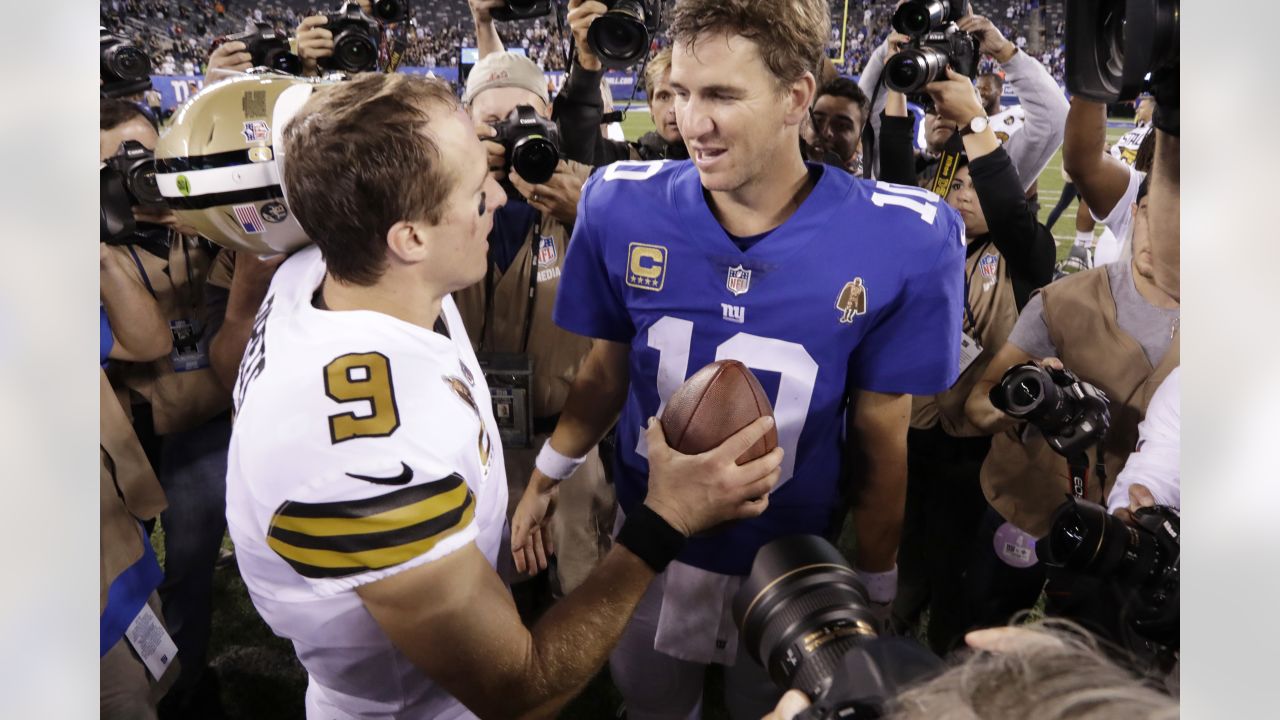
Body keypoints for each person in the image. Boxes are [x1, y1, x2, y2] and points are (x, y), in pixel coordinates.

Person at [224, 72, 783, 719]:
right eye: (472, 188)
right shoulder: (365, 455)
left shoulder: (324, 263)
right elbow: (517, 689)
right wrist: (667, 519)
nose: (496, 194)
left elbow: (309, 123)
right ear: (409, 238)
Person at [511, 0, 966, 716]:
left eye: (722, 95)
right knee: (653, 704)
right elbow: (605, 370)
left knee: (771, 706)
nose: (693, 121)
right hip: (649, 533)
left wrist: (877, 582)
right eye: (684, 92)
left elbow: (883, 438)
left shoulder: (905, 236)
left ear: (796, 97)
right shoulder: (617, 204)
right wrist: (547, 475)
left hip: (791, 561)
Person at [878, 68, 1054, 654]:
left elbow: (1004, 207)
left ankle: (948, 636)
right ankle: (904, 606)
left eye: (979, 188)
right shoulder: (932, 242)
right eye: (958, 187)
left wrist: (978, 123)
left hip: (979, 434)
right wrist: (900, 81)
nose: (964, 196)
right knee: (911, 524)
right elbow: (900, 175)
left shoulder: (1026, 253)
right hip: (917, 421)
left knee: (957, 544)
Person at [961, 177, 1179, 646]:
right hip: (1026, 501)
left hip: (1124, 539)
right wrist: (1030, 404)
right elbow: (979, 407)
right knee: (982, 638)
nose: (1162, 234)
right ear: (1135, 215)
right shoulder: (1065, 300)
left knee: (1089, 660)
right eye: (1152, 214)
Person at [454, 50, 615, 600]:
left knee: (582, 580)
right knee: (493, 584)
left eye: (524, 113)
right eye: (492, 120)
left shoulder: (587, 190)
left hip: (566, 436)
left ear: (548, 112)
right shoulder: (442, 201)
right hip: (478, 444)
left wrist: (587, 208)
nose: (510, 130)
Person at [100, 98, 232, 717]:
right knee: (130, 563)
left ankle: (184, 679)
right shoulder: (83, 241)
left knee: (187, 564)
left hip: (199, 415)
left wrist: (212, 220)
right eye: (112, 164)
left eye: (142, 156)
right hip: (129, 426)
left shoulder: (205, 215)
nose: (134, 173)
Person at [859, 11, 1066, 190]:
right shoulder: (893, 159)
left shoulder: (994, 169)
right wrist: (890, 47)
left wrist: (1003, 50)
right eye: (931, 107)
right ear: (922, 122)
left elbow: (1054, 119)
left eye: (948, 105)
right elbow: (863, 110)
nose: (940, 112)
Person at [557, 0, 688, 165]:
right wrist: (587, 59)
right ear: (650, 106)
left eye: (683, 95)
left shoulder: (719, 165)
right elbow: (576, 152)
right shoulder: (626, 162)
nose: (673, 109)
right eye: (663, 96)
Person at [808, 77, 870, 175]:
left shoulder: (865, 185)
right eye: (818, 121)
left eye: (841, 125)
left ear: (860, 137)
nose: (826, 133)